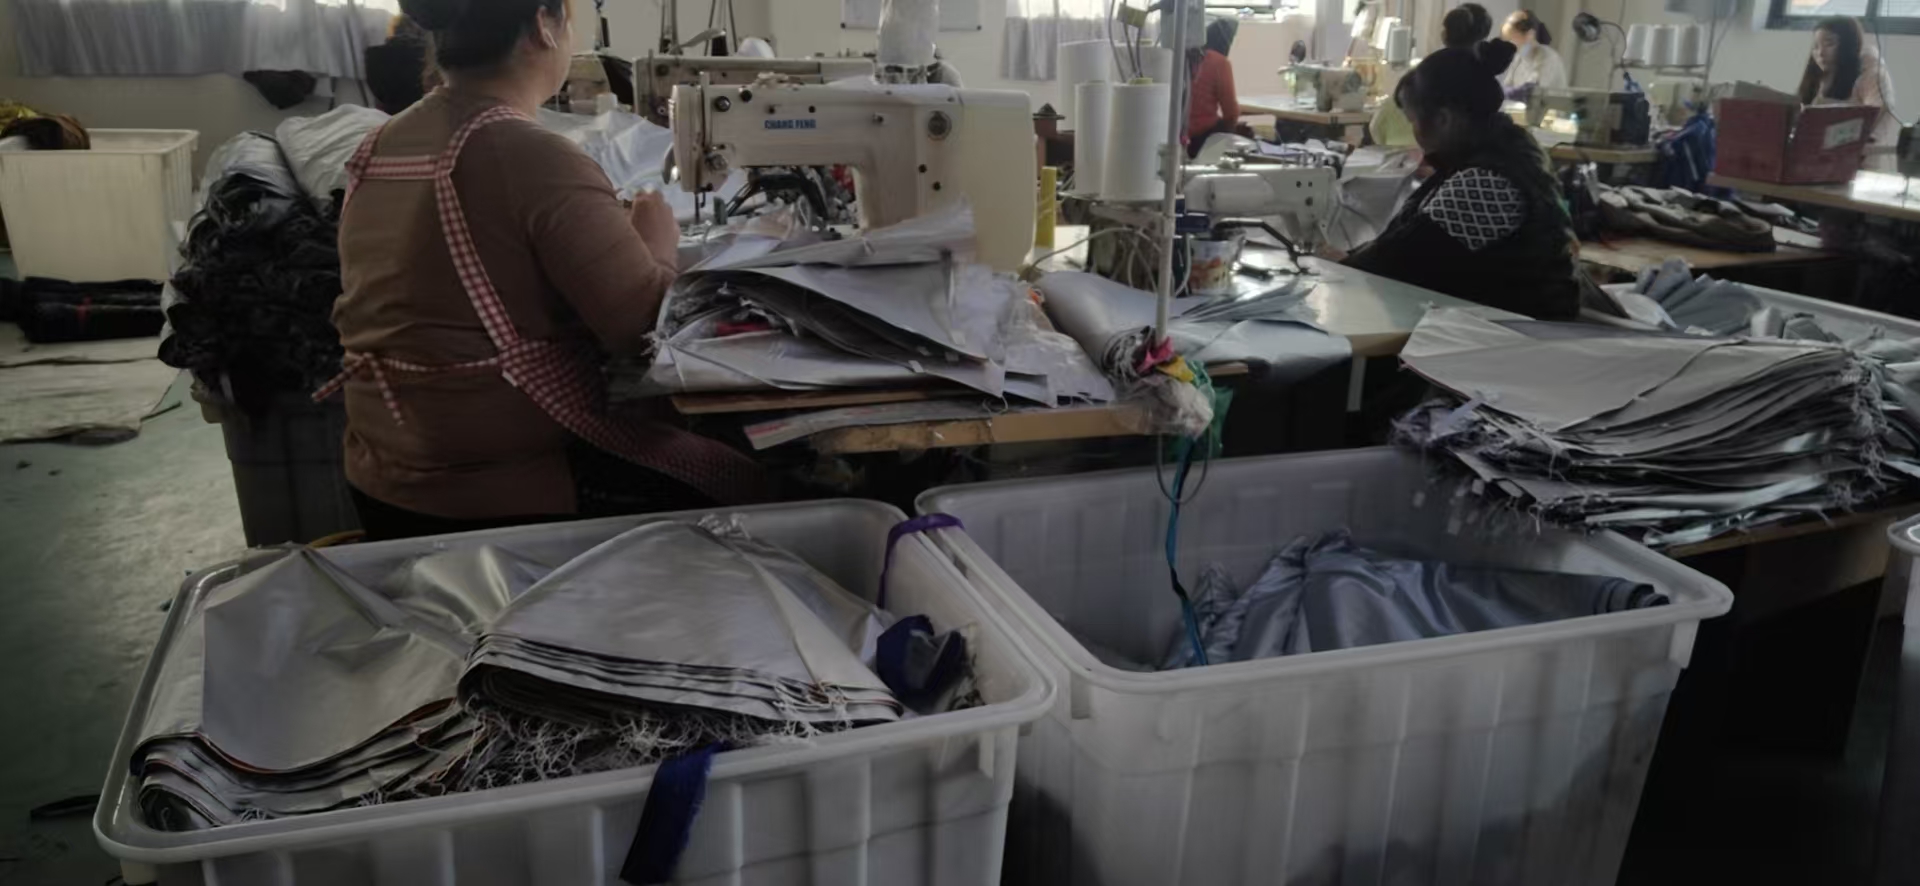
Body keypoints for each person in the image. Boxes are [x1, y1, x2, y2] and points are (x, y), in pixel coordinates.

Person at [327, 0, 764, 540]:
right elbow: (648, 335)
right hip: (503, 491)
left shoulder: (380, 144)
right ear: (543, 23)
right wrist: (658, 244)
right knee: (757, 481)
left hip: (381, 477)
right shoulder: (534, 156)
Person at [1342, 39, 1585, 320]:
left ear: (1444, 119)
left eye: (1413, 122)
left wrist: (1339, 263)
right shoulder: (1510, 148)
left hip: (1516, 335)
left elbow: (1399, 260)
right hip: (1508, 323)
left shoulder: (1489, 181)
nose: (1415, 134)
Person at [1369, 3, 1493, 145]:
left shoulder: (1423, 72)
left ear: (1445, 33)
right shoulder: (1482, 78)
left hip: (1411, 150)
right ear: (1484, 35)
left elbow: (1377, 126)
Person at [1799, 16, 1899, 171]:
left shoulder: (1871, 72)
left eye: (1829, 44)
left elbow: (1876, 111)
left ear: (1849, 44)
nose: (1820, 53)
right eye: (1816, 46)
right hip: (1815, 162)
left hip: (1855, 166)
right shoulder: (1821, 74)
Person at [1186, 18, 1241, 157]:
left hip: (1175, 133)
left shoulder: (1181, 57)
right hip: (1202, 138)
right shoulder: (1219, 63)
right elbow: (1231, 112)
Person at [1498, 10, 1566, 97]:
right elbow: (1506, 86)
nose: (1510, 43)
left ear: (1530, 34)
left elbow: (1534, 90)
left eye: (1513, 38)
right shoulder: (1519, 57)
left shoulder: (1548, 57)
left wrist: (1512, 92)